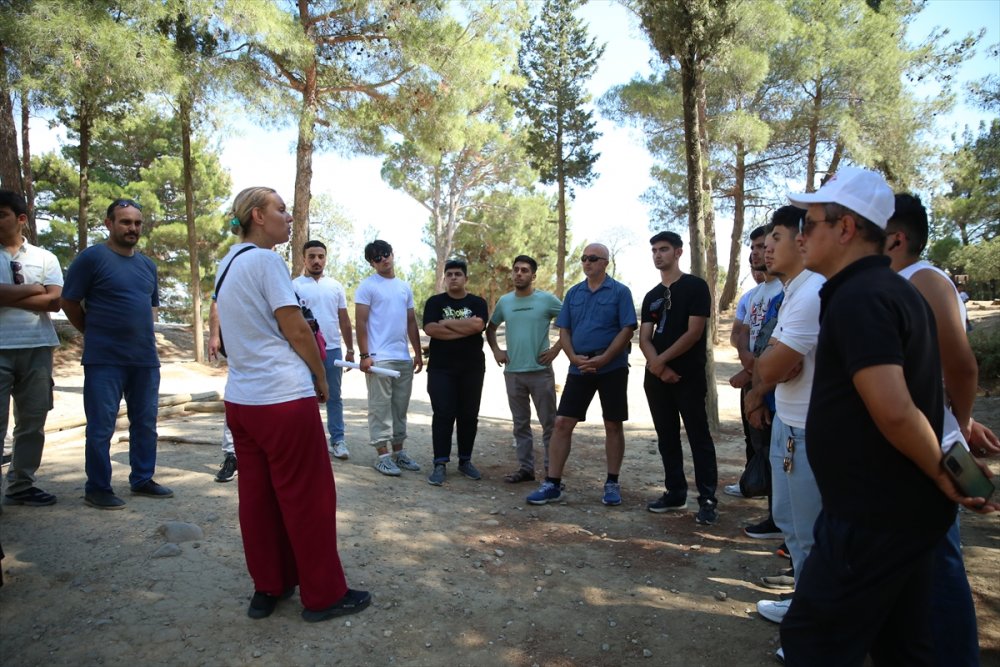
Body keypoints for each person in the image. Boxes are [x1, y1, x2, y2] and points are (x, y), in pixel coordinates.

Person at [779, 167, 997, 664]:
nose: (800, 235)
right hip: (893, 512)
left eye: (809, 224)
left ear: (846, 228)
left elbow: (896, 410)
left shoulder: (861, 298)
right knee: (905, 646)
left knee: (813, 642)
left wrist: (944, 475)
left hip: (871, 516)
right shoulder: (888, 289)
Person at [215, 186, 369, 622]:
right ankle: (323, 595)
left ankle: (270, 585)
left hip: (242, 400)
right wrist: (322, 377)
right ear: (257, 216)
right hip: (281, 398)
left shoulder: (227, 262)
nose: (288, 216)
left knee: (258, 499)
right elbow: (297, 328)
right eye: (280, 209)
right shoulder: (266, 261)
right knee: (308, 497)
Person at [886, 193, 1000, 667]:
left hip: (930, 440)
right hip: (908, 441)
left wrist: (963, 422)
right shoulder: (894, 282)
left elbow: (961, 365)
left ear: (895, 237)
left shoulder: (925, 280)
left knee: (939, 561)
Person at [743, 208, 824, 647]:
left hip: (809, 429)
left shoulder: (814, 290)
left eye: (776, 237)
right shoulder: (792, 290)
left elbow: (774, 361)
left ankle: (814, 629)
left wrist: (765, 376)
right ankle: (804, 603)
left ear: (802, 239)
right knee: (792, 525)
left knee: (811, 532)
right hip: (789, 423)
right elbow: (769, 357)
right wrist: (770, 368)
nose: (766, 247)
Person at [62, 198, 172, 509]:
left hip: (144, 360)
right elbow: (69, 302)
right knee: (101, 426)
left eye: (137, 223)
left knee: (146, 423)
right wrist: (92, 333)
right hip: (104, 359)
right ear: (109, 224)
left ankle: (142, 479)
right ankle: (97, 487)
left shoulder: (148, 266)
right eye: (125, 222)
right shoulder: (92, 258)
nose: (132, 228)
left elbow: (147, 309)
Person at [525, 243, 637, 507]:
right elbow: (563, 329)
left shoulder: (620, 292)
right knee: (562, 422)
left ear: (605, 263)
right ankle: (552, 484)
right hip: (579, 366)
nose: (586, 262)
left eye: (592, 258)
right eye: (584, 258)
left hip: (612, 367)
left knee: (612, 423)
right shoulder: (574, 293)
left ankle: (611, 483)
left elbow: (627, 329)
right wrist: (573, 357)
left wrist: (605, 358)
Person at [639, 231, 719, 525]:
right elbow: (644, 337)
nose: (658, 255)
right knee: (667, 437)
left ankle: (708, 499)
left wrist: (661, 362)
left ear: (678, 252)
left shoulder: (696, 287)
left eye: (663, 249)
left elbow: (694, 332)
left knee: (699, 438)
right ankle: (675, 492)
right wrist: (658, 367)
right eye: (654, 251)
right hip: (657, 378)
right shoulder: (651, 296)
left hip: (688, 376)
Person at [0, 190, 62, 507]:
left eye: (2, 215)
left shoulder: (44, 258)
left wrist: (9, 294)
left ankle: (21, 485)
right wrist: (32, 288)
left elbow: (54, 300)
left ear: (21, 219)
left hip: (38, 347)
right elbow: (43, 294)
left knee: (33, 421)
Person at [486, 255, 562, 483]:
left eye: (524, 270)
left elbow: (572, 321)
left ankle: (552, 473)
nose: (519, 274)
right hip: (513, 373)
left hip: (541, 372)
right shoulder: (505, 302)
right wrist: (497, 351)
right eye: (516, 269)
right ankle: (526, 469)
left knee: (550, 424)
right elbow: (491, 328)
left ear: (533, 275)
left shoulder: (547, 300)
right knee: (520, 424)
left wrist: (557, 348)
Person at [355, 240, 423, 476]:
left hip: (402, 358)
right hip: (379, 359)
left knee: (400, 407)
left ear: (393, 254)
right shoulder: (367, 287)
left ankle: (399, 452)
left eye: (386, 254)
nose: (383, 260)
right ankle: (383, 456)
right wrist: (364, 355)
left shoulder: (404, 287)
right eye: (377, 258)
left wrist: (417, 352)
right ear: (371, 263)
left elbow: (411, 321)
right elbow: (361, 322)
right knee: (380, 407)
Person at [736, 225, 785, 541]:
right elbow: (741, 333)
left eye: (764, 245)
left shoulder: (787, 290)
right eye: (754, 247)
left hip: (774, 385)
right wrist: (748, 364)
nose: (758, 252)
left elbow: (778, 346)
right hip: (756, 380)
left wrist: (758, 379)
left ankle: (780, 519)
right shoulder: (754, 295)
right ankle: (774, 515)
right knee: (762, 447)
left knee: (779, 454)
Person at [422, 259, 488, 486]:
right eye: (449, 274)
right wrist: (465, 328)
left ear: (465, 278)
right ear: (444, 278)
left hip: (472, 368)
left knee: (469, 415)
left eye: (458, 274)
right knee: (443, 414)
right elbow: (431, 328)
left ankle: (465, 461)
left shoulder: (477, 302)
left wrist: (447, 323)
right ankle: (440, 463)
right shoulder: (435, 302)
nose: (453, 278)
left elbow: (478, 326)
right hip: (441, 369)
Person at [293, 240, 355, 460]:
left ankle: (338, 440)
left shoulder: (335, 286)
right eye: (312, 257)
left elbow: (344, 320)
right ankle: (307, 442)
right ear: (304, 259)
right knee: (305, 398)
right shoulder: (295, 286)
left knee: (334, 397)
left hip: (333, 350)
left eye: (320, 256)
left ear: (326, 258)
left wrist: (350, 350)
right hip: (304, 353)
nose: (316, 261)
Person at [207, 301, 237, 482]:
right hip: (239, 348)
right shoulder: (230, 271)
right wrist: (214, 335)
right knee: (234, 399)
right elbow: (217, 303)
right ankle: (232, 456)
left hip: (269, 347)